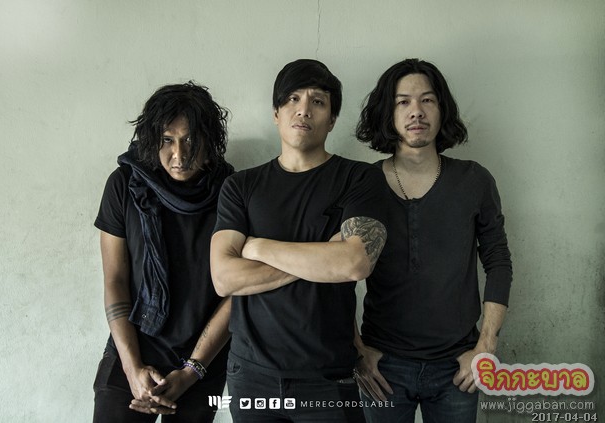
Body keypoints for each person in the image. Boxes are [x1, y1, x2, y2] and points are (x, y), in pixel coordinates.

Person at [210, 59, 389, 422]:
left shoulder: (358, 179)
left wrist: (257, 247)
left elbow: (354, 263)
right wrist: (326, 254)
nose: (304, 109)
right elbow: (224, 278)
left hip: (328, 374)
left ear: (332, 119)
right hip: (251, 375)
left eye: (317, 101)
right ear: (276, 113)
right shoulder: (241, 186)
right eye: (292, 98)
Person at [353, 58, 513, 422]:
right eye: (403, 102)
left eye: (427, 100)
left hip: (457, 366)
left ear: (442, 110)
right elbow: (337, 274)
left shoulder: (474, 180)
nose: (416, 111)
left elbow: (498, 262)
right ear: (388, 112)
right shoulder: (363, 184)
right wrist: (356, 349)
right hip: (383, 365)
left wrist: (486, 346)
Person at [92, 82, 234, 422]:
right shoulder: (124, 184)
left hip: (203, 358)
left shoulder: (232, 191)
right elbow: (115, 280)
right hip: (133, 348)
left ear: (209, 141)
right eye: (167, 140)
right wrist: (132, 369)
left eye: (190, 140)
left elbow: (238, 290)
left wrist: (192, 371)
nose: (179, 155)